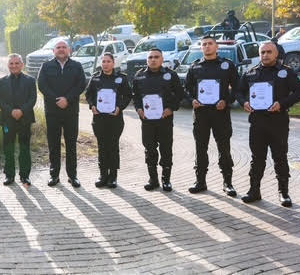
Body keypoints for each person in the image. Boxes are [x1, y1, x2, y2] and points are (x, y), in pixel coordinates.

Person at [236, 41, 300, 207]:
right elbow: (238, 91)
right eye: (262, 52)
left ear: (276, 54)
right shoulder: (251, 73)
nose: (265, 55)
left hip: (278, 122)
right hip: (257, 123)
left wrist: (282, 104)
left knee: (280, 157)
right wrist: (244, 102)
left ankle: (284, 192)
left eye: (269, 52)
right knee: (257, 158)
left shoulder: (285, 72)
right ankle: (254, 191)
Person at [184, 35, 238, 196]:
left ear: (216, 47)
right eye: (204, 44)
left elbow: (238, 88)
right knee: (200, 148)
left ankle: (228, 183)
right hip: (201, 114)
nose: (207, 46)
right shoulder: (195, 67)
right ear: (201, 48)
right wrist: (192, 100)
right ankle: (200, 181)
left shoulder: (227, 65)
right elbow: (186, 89)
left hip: (220, 113)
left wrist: (226, 101)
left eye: (210, 44)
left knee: (224, 148)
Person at [132, 48, 183, 192]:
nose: (153, 60)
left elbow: (179, 94)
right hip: (147, 120)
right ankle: (153, 179)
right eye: (150, 57)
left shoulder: (170, 75)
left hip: (164, 119)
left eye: (156, 57)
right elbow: (135, 96)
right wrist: (138, 109)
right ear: (147, 60)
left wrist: (171, 108)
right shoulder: (139, 76)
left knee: (166, 148)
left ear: (162, 59)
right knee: (149, 149)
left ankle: (166, 180)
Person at [37, 39, 87, 188]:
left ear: (69, 50)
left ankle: (72, 176)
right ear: (54, 51)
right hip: (52, 111)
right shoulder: (46, 66)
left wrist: (67, 99)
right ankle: (54, 175)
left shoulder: (77, 66)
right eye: (58, 47)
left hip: (71, 111)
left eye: (64, 47)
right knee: (53, 144)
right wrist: (57, 100)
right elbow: (42, 85)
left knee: (71, 144)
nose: (61, 49)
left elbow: (81, 85)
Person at [84, 53, 132, 189]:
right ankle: (103, 175)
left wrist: (120, 107)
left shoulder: (121, 78)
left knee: (113, 146)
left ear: (113, 63)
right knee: (102, 146)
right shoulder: (95, 78)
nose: (105, 64)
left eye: (108, 61)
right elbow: (88, 94)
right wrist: (92, 106)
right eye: (103, 61)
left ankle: (113, 176)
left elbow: (128, 95)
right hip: (99, 118)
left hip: (115, 118)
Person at [0, 53, 37, 186]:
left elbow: (33, 99)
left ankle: (25, 176)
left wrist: (21, 111)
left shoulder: (30, 80)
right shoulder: (1, 81)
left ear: (22, 65)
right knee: (8, 148)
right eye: (11, 63)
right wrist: (11, 111)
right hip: (8, 120)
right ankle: (9, 175)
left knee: (24, 148)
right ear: (8, 65)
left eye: (17, 63)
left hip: (25, 119)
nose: (14, 66)